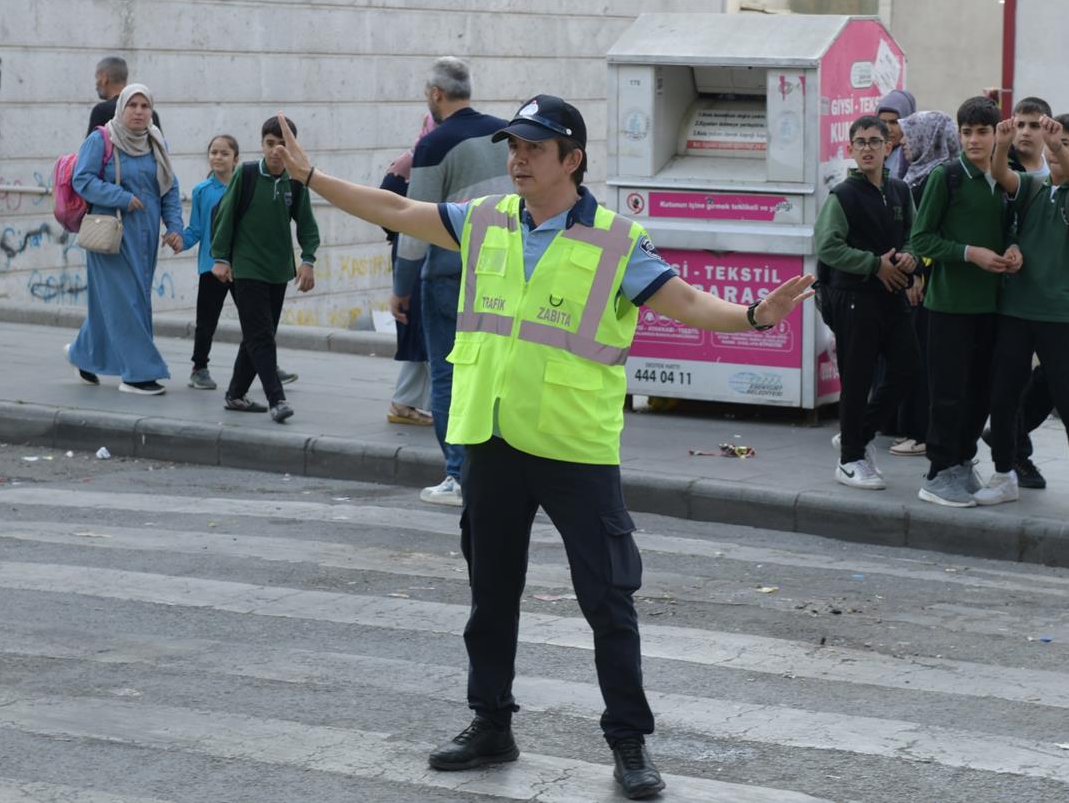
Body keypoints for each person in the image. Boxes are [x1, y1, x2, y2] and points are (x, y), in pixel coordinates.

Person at [270, 94, 814, 800]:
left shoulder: (616, 240)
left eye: (532, 147)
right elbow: (399, 211)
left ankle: (628, 740)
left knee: (607, 599)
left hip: (573, 449)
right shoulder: (488, 220)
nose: (517, 158)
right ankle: (491, 722)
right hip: (492, 440)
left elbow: (681, 301)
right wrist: (315, 179)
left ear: (572, 160)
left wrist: (750, 315)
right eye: (513, 146)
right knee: (490, 594)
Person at [976, 114, 1069, 515]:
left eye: (1067, 144)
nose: (1056, 149)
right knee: (1003, 395)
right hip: (1016, 310)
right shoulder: (1031, 186)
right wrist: (1001, 142)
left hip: (1059, 314)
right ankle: (1003, 476)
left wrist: (1056, 149)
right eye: (1055, 142)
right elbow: (1002, 174)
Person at [401, 57, 510, 507]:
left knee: (448, 375)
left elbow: (413, 226)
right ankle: (495, 471)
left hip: (449, 273)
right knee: (494, 371)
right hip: (505, 269)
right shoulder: (506, 133)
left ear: (436, 95)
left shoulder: (434, 144)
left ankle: (457, 475)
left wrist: (400, 287)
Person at [908, 96, 1022, 507]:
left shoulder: (1006, 179)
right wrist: (969, 253)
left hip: (992, 307)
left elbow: (1013, 226)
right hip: (949, 306)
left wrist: (1012, 248)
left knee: (979, 393)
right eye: (967, 132)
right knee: (948, 393)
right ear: (958, 135)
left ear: (996, 136)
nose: (974, 140)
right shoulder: (947, 177)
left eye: (982, 132)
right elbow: (920, 239)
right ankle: (938, 473)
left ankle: (961, 462)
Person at [813, 115, 919, 489]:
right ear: (850, 148)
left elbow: (913, 236)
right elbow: (827, 247)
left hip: (892, 296)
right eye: (860, 142)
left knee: (908, 366)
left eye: (876, 141)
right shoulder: (843, 195)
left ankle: (858, 434)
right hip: (853, 297)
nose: (868, 148)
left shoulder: (900, 191)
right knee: (856, 379)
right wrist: (874, 265)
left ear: (888, 147)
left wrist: (909, 258)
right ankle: (850, 461)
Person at [66, 84, 182, 395]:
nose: (139, 112)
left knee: (131, 299)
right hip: (111, 234)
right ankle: (138, 374)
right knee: (128, 300)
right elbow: (82, 178)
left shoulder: (156, 142)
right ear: (121, 108)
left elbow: (169, 187)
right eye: (133, 105)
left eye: (145, 106)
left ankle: (85, 353)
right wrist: (121, 196)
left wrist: (174, 226)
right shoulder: (102, 139)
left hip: (145, 236)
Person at [209, 116, 320, 423]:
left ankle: (235, 394)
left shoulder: (296, 181)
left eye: (283, 145)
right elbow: (225, 218)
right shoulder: (245, 175)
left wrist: (308, 260)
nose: (276, 151)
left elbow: (307, 225)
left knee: (259, 333)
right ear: (262, 145)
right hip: (246, 268)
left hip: (278, 270)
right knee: (262, 336)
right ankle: (276, 399)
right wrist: (221, 257)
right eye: (270, 144)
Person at [180, 135, 298, 392]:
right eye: (213, 152)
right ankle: (199, 368)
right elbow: (196, 229)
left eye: (224, 153)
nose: (217, 157)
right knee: (206, 321)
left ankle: (265, 364)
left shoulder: (246, 182)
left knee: (257, 322)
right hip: (213, 266)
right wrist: (180, 241)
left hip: (244, 267)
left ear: (236, 158)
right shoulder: (202, 190)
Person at [886, 110, 961, 458]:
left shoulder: (938, 176)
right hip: (915, 280)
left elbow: (933, 233)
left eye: (909, 134)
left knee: (924, 358)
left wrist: (920, 274)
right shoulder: (920, 171)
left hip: (926, 284)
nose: (903, 142)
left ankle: (922, 432)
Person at [382, 113, 437, 426]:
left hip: (431, 251)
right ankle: (433, 403)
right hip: (413, 254)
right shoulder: (410, 162)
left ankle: (405, 402)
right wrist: (403, 233)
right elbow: (386, 202)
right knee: (421, 323)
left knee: (422, 327)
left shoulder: (436, 158)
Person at [87, 56, 160, 135]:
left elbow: (91, 145)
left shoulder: (101, 111)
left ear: (104, 78)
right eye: (132, 105)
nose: (138, 112)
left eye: (97, 77)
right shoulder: (150, 114)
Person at [1007, 96, 1052, 178]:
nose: (1025, 132)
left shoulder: (1053, 169)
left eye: (1034, 126)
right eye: (1020, 125)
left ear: (1048, 128)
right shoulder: (999, 165)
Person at [877, 89, 917, 180]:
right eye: (882, 122)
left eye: (894, 122)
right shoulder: (874, 151)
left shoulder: (912, 156)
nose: (887, 129)